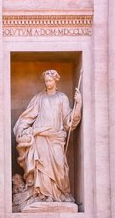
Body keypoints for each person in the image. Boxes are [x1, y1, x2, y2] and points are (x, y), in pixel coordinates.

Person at [14, 70, 82, 203]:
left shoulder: (62, 98)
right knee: (42, 167)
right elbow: (28, 116)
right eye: (46, 81)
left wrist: (78, 104)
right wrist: (22, 129)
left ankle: (59, 193)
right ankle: (43, 196)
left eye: (50, 80)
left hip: (56, 137)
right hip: (41, 137)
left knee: (59, 166)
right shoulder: (39, 98)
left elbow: (68, 120)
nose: (48, 83)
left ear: (56, 81)